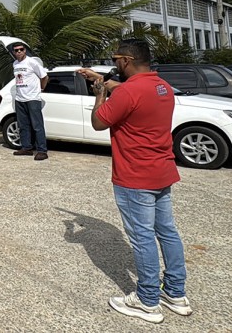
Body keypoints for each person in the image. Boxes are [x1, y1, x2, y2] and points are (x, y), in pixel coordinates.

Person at [78, 39, 191, 324]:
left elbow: (99, 122)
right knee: (167, 232)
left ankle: (147, 300)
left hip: (134, 176)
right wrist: (102, 79)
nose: (115, 64)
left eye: (116, 59)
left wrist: (98, 93)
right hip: (162, 171)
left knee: (142, 239)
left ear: (126, 60)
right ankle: (176, 293)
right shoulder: (162, 87)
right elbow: (131, 92)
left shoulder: (127, 92)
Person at [11, 42, 49, 160]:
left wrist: (41, 88)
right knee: (23, 125)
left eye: (21, 49)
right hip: (20, 98)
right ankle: (26, 147)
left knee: (37, 125)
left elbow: (44, 77)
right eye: (16, 50)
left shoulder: (32, 62)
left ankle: (42, 150)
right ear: (14, 52)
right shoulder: (15, 64)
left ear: (25, 50)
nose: (18, 52)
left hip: (32, 98)